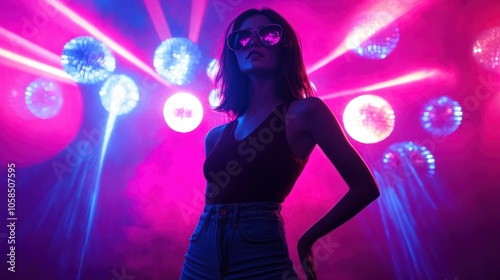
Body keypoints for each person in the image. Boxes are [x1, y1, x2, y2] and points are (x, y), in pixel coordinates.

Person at [180, 8, 380, 280]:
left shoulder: (306, 112)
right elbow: (211, 203)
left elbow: (365, 187)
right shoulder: (214, 136)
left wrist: (308, 239)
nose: (254, 42)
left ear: (284, 49)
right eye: (242, 38)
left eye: (268, 35)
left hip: (259, 252)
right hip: (200, 255)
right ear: (233, 54)